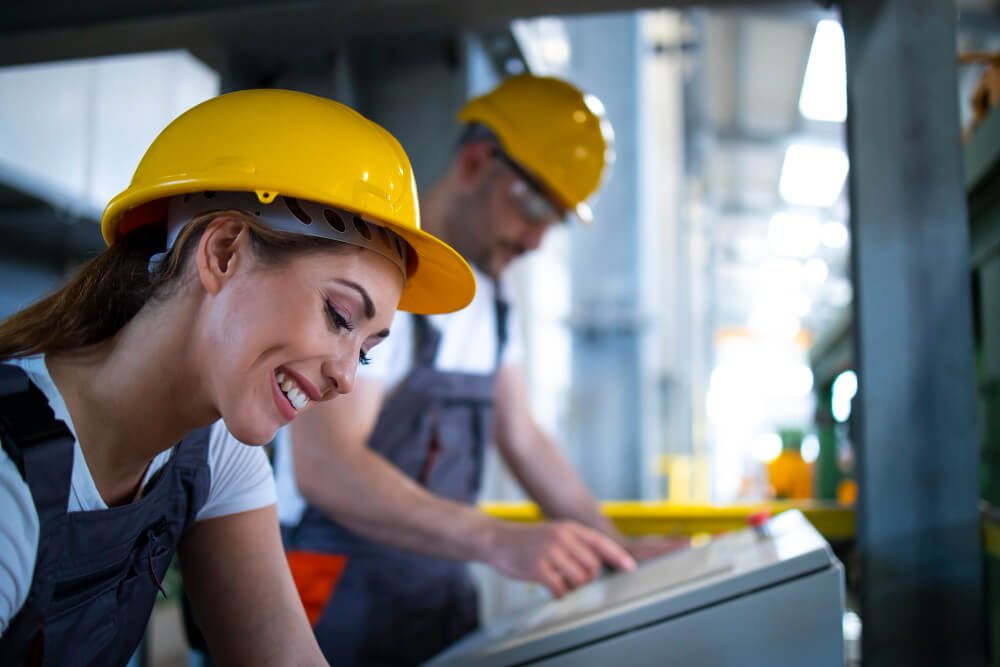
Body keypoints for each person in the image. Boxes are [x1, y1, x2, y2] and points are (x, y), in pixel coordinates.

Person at [0, 88, 475, 666]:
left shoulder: (215, 449)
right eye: (340, 316)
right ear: (223, 252)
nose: (347, 377)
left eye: (367, 351)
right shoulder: (10, 480)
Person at [276, 74, 687, 666]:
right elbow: (326, 464)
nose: (538, 241)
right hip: (328, 586)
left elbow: (521, 436)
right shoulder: (376, 282)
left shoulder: (493, 302)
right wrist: (495, 539)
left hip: (434, 587)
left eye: (556, 220)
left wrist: (614, 549)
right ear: (475, 164)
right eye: (535, 207)